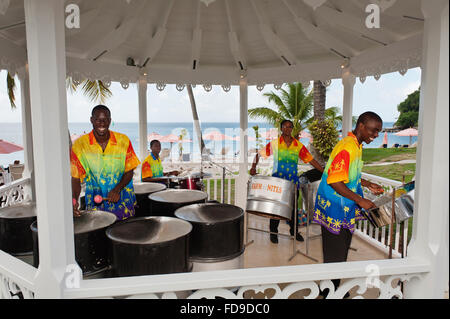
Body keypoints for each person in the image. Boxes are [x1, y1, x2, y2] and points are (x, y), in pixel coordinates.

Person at [313, 111, 385, 296]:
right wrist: (361, 200)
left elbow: (348, 176)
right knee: (335, 254)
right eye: (373, 130)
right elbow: (334, 181)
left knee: (340, 251)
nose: (376, 135)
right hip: (334, 208)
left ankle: (332, 288)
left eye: (378, 132)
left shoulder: (356, 144)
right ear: (361, 125)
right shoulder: (348, 148)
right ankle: (329, 292)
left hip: (342, 206)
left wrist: (368, 184)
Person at [250, 120, 324, 244]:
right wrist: (253, 167)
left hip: (293, 182)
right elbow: (259, 154)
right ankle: (273, 233)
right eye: (285, 126)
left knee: (293, 209)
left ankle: (294, 232)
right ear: (281, 128)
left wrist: (324, 171)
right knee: (276, 209)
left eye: (290, 127)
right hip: (277, 182)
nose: (288, 129)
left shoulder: (298, 145)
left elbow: (311, 160)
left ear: (292, 129)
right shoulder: (275, 144)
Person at [70, 105, 140, 220]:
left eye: (105, 120)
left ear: (110, 120)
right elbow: (76, 177)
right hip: (96, 206)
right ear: (91, 120)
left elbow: (129, 171)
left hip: (123, 204)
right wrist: (74, 200)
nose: (102, 123)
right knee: (98, 237)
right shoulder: (80, 145)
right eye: (97, 120)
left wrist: (117, 189)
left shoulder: (123, 141)